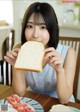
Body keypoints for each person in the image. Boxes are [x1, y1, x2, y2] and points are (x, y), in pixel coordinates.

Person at [4, 2, 76, 104]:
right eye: (30, 26)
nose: (35, 35)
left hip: (59, 104)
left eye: (43, 27)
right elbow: (19, 93)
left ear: (52, 29)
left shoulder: (68, 53)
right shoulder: (19, 48)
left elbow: (64, 99)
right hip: (33, 100)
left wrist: (60, 71)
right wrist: (16, 66)